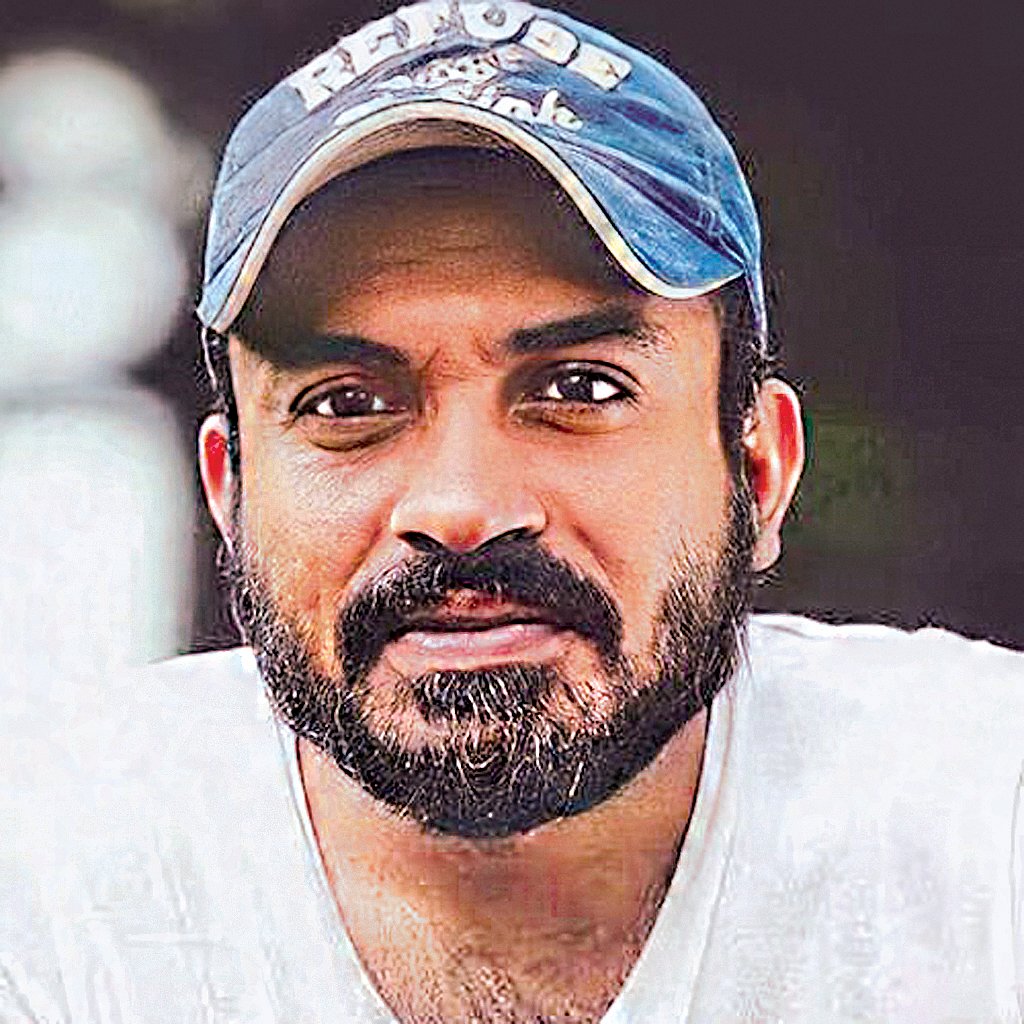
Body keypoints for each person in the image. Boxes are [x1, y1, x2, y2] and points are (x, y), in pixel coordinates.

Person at [4, 2, 1024, 1021]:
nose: (461, 509)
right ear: (228, 494)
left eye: (580, 389)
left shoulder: (982, 825)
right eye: (346, 405)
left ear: (758, 468)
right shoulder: (48, 888)